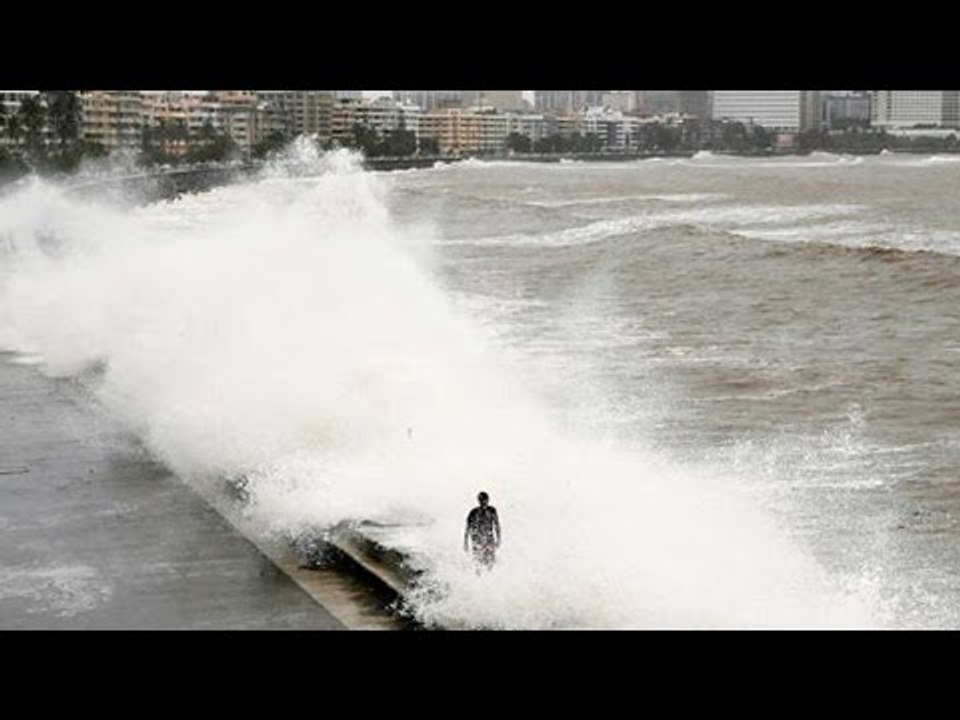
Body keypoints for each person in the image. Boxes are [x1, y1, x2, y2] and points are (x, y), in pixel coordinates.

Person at [464, 491, 501, 570]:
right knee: (478, 561)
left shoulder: (492, 510)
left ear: (488, 500)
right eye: (481, 500)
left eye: (484, 500)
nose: (483, 502)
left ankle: (490, 577)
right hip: (477, 540)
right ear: (478, 501)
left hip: (489, 539)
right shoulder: (473, 512)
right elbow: (468, 528)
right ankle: (478, 578)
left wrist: (499, 539)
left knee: (490, 561)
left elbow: (497, 525)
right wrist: (465, 542)